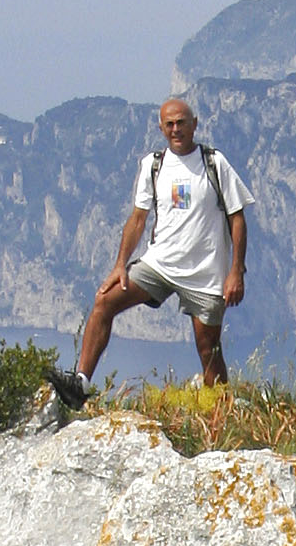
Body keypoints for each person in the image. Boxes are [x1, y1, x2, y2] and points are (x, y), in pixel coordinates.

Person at [73, 94, 250, 393]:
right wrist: (120, 265)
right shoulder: (152, 166)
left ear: (195, 125)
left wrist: (236, 271)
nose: (176, 129)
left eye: (181, 122)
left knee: (208, 348)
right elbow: (138, 219)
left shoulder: (214, 163)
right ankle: (80, 383)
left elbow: (238, 218)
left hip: (205, 273)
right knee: (104, 301)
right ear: (161, 128)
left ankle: (222, 410)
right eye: (169, 124)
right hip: (160, 264)